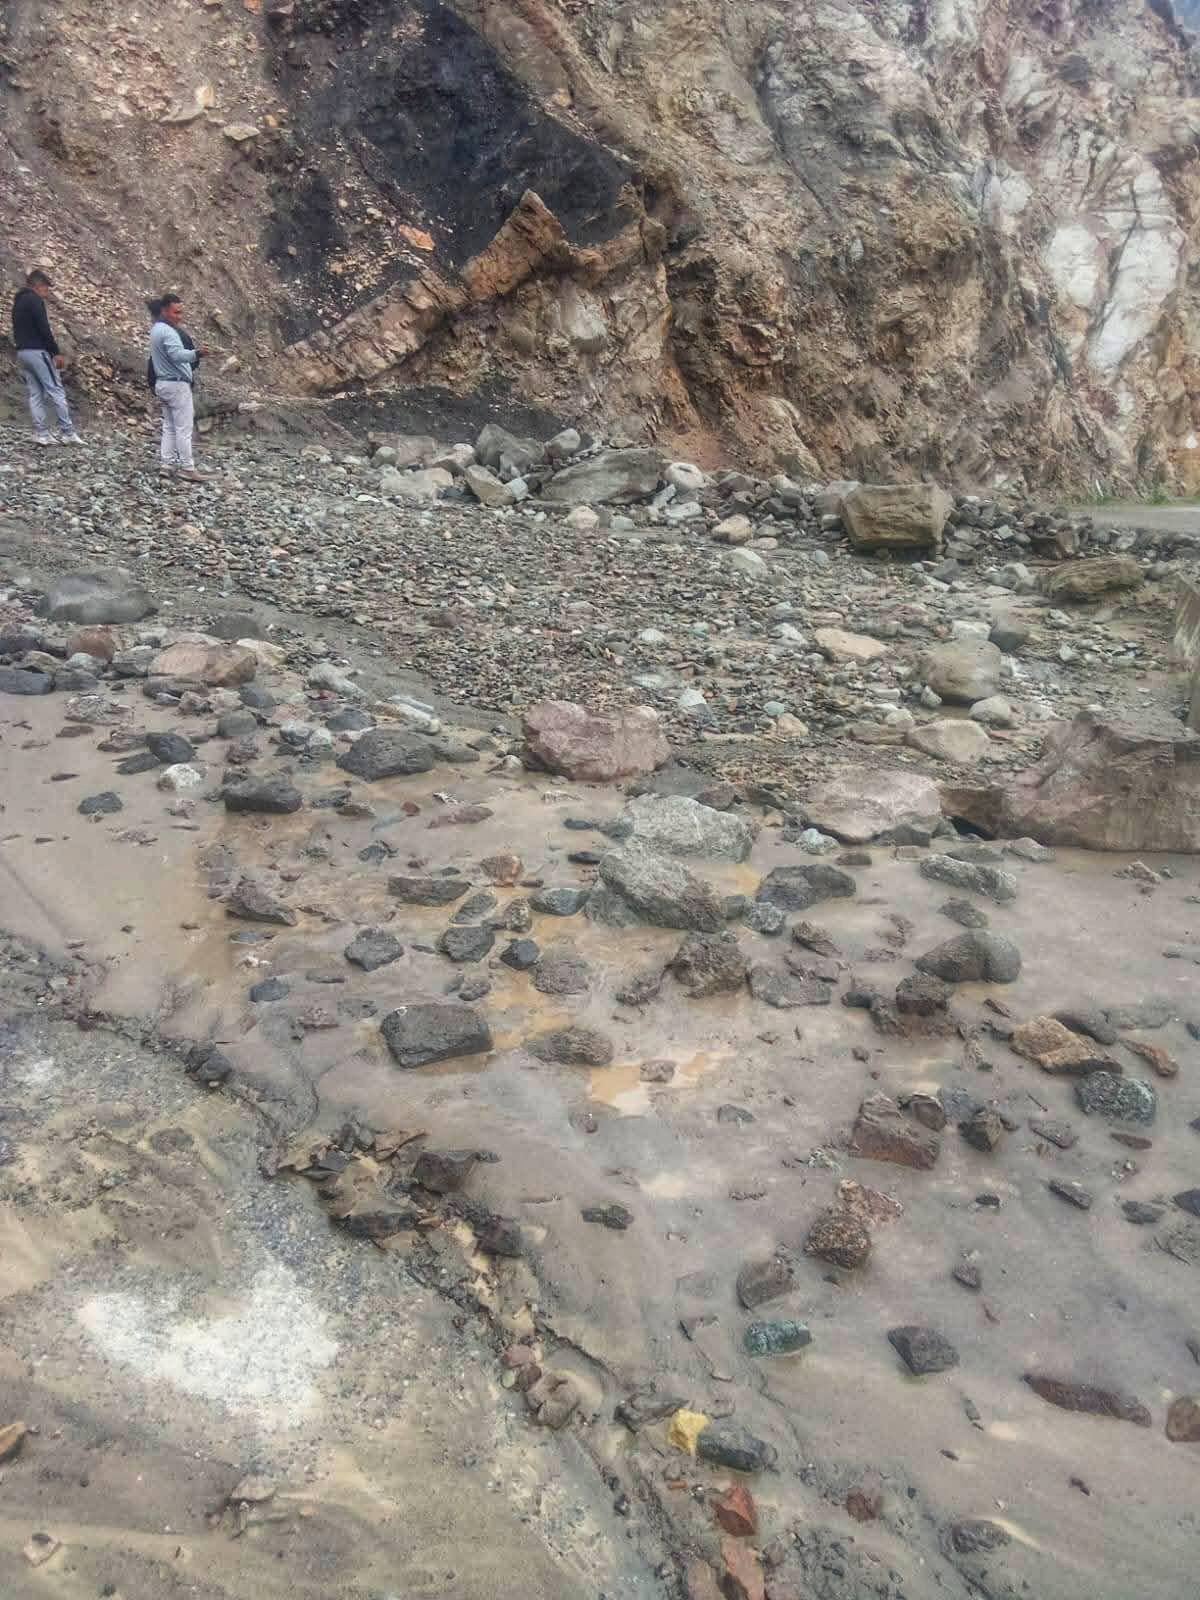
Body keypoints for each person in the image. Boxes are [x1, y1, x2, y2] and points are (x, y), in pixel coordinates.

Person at [11, 269, 84, 447]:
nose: (47, 292)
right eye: (46, 288)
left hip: (22, 352)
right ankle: (68, 432)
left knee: (35, 393)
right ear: (38, 286)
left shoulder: (18, 302)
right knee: (56, 390)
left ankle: (41, 434)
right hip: (38, 352)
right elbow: (44, 328)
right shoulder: (35, 300)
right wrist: (55, 352)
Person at [148, 293, 211, 482]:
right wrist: (197, 353)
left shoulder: (156, 329)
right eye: (176, 312)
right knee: (184, 428)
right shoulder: (169, 332)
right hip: (176, 384)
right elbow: (177, 355)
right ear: (164, 310)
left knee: (169, 426)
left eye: (181, 312)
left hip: (162, 383)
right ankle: (187, 468)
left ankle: (166, 465)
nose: (179, 317)